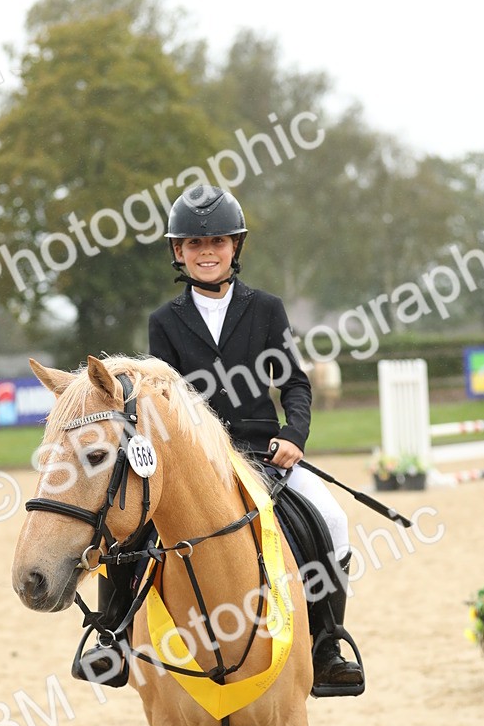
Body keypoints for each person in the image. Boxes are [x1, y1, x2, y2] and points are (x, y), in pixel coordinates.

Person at [74, 182, 364, 698]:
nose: (206, 252)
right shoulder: (164, 322)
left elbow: (294, 383)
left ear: (235, 248)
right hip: (192, 459)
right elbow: (160, 395)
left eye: (217, 243)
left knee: (335, 521)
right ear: (178, 252)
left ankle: (326, 646)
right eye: (194, 245)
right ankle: (111, 638)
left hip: (262, 452)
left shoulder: (267, 309)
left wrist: (294, 435)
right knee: (126, 528)